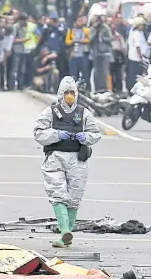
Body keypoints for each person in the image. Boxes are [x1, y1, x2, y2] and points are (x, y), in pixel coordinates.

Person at [33, 76, 101, 248]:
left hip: (77, 158)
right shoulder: (51, 112)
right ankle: (64, 230)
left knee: (75, 196)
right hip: (55, 157)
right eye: (66, 93)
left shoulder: (83, 112)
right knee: (57, 193)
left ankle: (66, 236)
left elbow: (95, 133)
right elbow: (38, 133)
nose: (69, 96)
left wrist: (86, 137)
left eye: (72, 92)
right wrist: (56, 134)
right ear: (60, 94)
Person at [90, 14, 113, 91]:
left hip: (105, 53)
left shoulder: (105, 27)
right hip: (96, 53)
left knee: (104, 72)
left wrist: (103, 38)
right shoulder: (92, 29)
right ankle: (97, 89)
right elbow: (89, 39)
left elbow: (110, 38)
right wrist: (95, 32)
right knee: (96, 72)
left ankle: (104, 88)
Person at [66, 15, 90, 84]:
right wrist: (73, 41)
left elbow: (89, 39)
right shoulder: (71, 31)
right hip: (73, 55)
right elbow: (67, 42)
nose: (80, 23)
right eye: (78, 21)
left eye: (81, 21)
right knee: (73, 75)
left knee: (85, 74)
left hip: (83, 55)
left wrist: (82, 40)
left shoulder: (86, 30)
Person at [126, 17, 149, 93]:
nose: (143, 27)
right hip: (136, 58)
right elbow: (138, 46)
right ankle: (133, 91)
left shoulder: (138, 32)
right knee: (135, 76)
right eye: (141, 25)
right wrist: (140, 57)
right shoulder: (136, 33)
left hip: (137, 58)